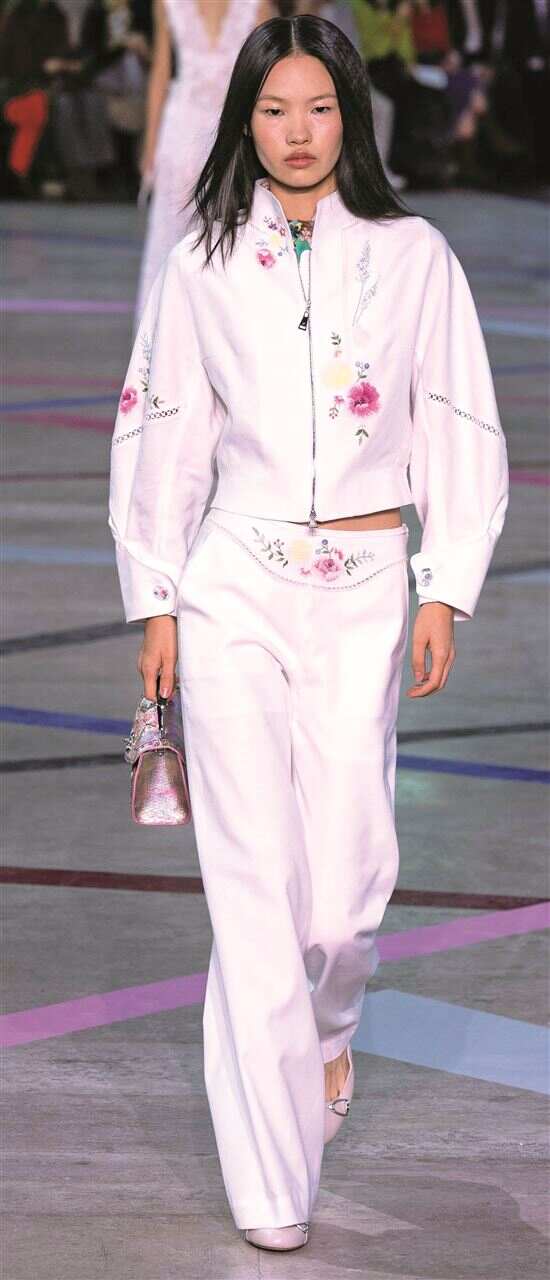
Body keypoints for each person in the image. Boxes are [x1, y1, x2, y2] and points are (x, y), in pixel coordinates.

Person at [109, 12, 509, 1252]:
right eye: (274, 110)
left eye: (319, 108)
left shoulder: (414, 255)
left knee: (340, 895)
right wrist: (155, 599)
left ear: (352, 116)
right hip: (231, 581)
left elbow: (459, 418)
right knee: (250, 883)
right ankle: (272, 1185)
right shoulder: (202, 260)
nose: (296, 132)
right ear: (246, 120)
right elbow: (162, 428)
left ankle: (330, 1033)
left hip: (364, 586)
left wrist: (442, 584)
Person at [134, 0, 276, 322]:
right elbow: (269, 73)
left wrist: (151, 145)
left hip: (203, 129)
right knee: (221, 235)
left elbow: (160, 72)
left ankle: (179, 332)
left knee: (206, 235)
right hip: (220, 130)